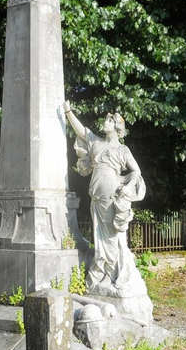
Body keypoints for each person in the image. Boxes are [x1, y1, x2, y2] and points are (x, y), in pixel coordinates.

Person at [62, 101, 147, 298]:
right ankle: (105, 275)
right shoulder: (96, 142)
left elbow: (136, 171)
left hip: (112, 198)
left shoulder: (123, 150)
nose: (105, 123)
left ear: (116, 126)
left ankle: (113, 275)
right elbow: (82, 131)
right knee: (100, 241)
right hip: (97, 199)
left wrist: (126, 186)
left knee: (112, 239)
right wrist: (68, 111)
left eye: (109, 120)